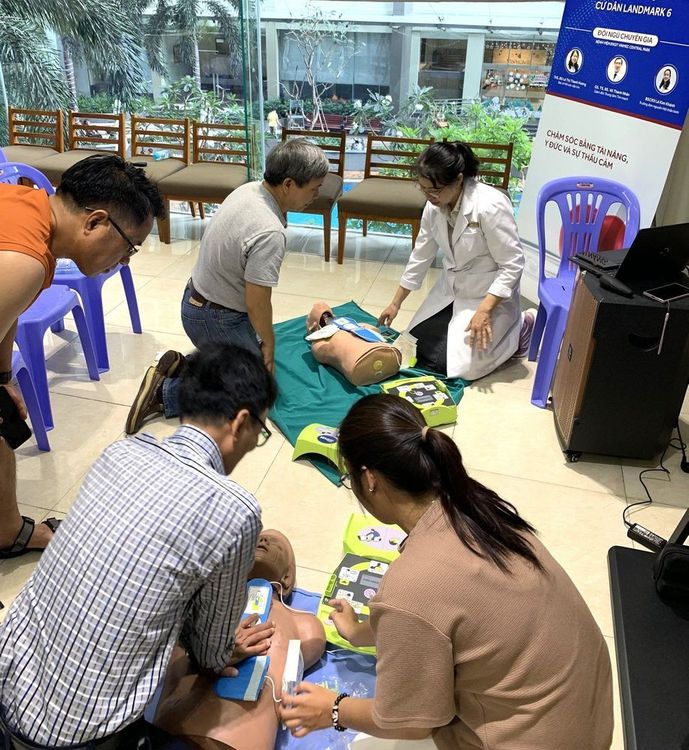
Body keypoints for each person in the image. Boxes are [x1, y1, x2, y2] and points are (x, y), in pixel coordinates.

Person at [280, 394, 614, 749]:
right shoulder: (477, 506)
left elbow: (410, 723)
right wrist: (360, 632)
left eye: (349, 478)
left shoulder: (411, 587)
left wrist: (333, 709)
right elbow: (444, 616)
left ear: (370, 479)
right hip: (589, 717)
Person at [0, 343, 277, 748]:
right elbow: (211, 654)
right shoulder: (235, 510)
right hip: (75, 734)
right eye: (260, 432)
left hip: (7, 680)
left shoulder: (121, 451)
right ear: (240, 422)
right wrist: (222, 649)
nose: (255, 443)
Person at [0, 154, 163, 560]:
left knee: (3, 413)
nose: (124, 261)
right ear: (95, 222)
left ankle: (7, 531)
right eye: (129, 247)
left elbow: (8, 315)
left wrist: (3, 378)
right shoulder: (27, 260)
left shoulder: (25, 204)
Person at [125, 138, 330, 435]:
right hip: (214, 317)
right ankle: (166, 391)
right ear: (288, 184)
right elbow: (256, 302)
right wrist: (269, 344)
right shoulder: (270, 231)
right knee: (255, 389)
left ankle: (194, 365)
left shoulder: (250, 190)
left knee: (252, 356)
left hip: (195, 299)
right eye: (313, 188)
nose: (316, 195)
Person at [154, 530, 326, 750]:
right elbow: (173, 665)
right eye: (257, 540)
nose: (263, 540)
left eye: (276, 545)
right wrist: (213, 655)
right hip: (171, 732)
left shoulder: (304, 624)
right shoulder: (202, 604)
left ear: (287, 577)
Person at [377, 142, 534, 380]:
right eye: (424, 189)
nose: (430, 197)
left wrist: (484, 310)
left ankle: (522, 326)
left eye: (435, 190)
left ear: (459, 180)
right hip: (452, 290)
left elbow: (512, 264)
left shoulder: (490, 206)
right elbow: (421, 255)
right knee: (415, 350)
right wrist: (395, 303)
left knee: (454, 367)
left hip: (488, 296)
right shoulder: (435, 206)